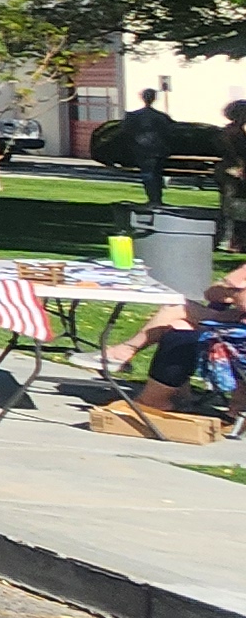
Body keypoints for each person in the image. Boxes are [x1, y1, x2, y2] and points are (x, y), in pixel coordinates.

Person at [101, 271, 245, 417]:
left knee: (180, 330)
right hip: (234, 324)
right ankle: (171, 397)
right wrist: (231, 286)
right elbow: (211, 294)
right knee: (180, 323)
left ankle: (153, 398)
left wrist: (236, 287)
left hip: (239, 334)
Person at [123, 89, 177, 207]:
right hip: (157, 151)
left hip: (144, 151)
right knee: (155, 175)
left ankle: (154, 199)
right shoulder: (161, 117)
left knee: (149, 175)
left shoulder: (134, 116)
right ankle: (156, 199)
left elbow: (126, 132)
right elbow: (171, 132)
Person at [217, 101, 245, 255]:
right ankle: (228, 240)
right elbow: (234, 154)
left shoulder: (232, 131)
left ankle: (234, 240)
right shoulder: (234, 133)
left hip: (231, 172)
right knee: (232, 207)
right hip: (232, 173)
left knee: (233, 207)